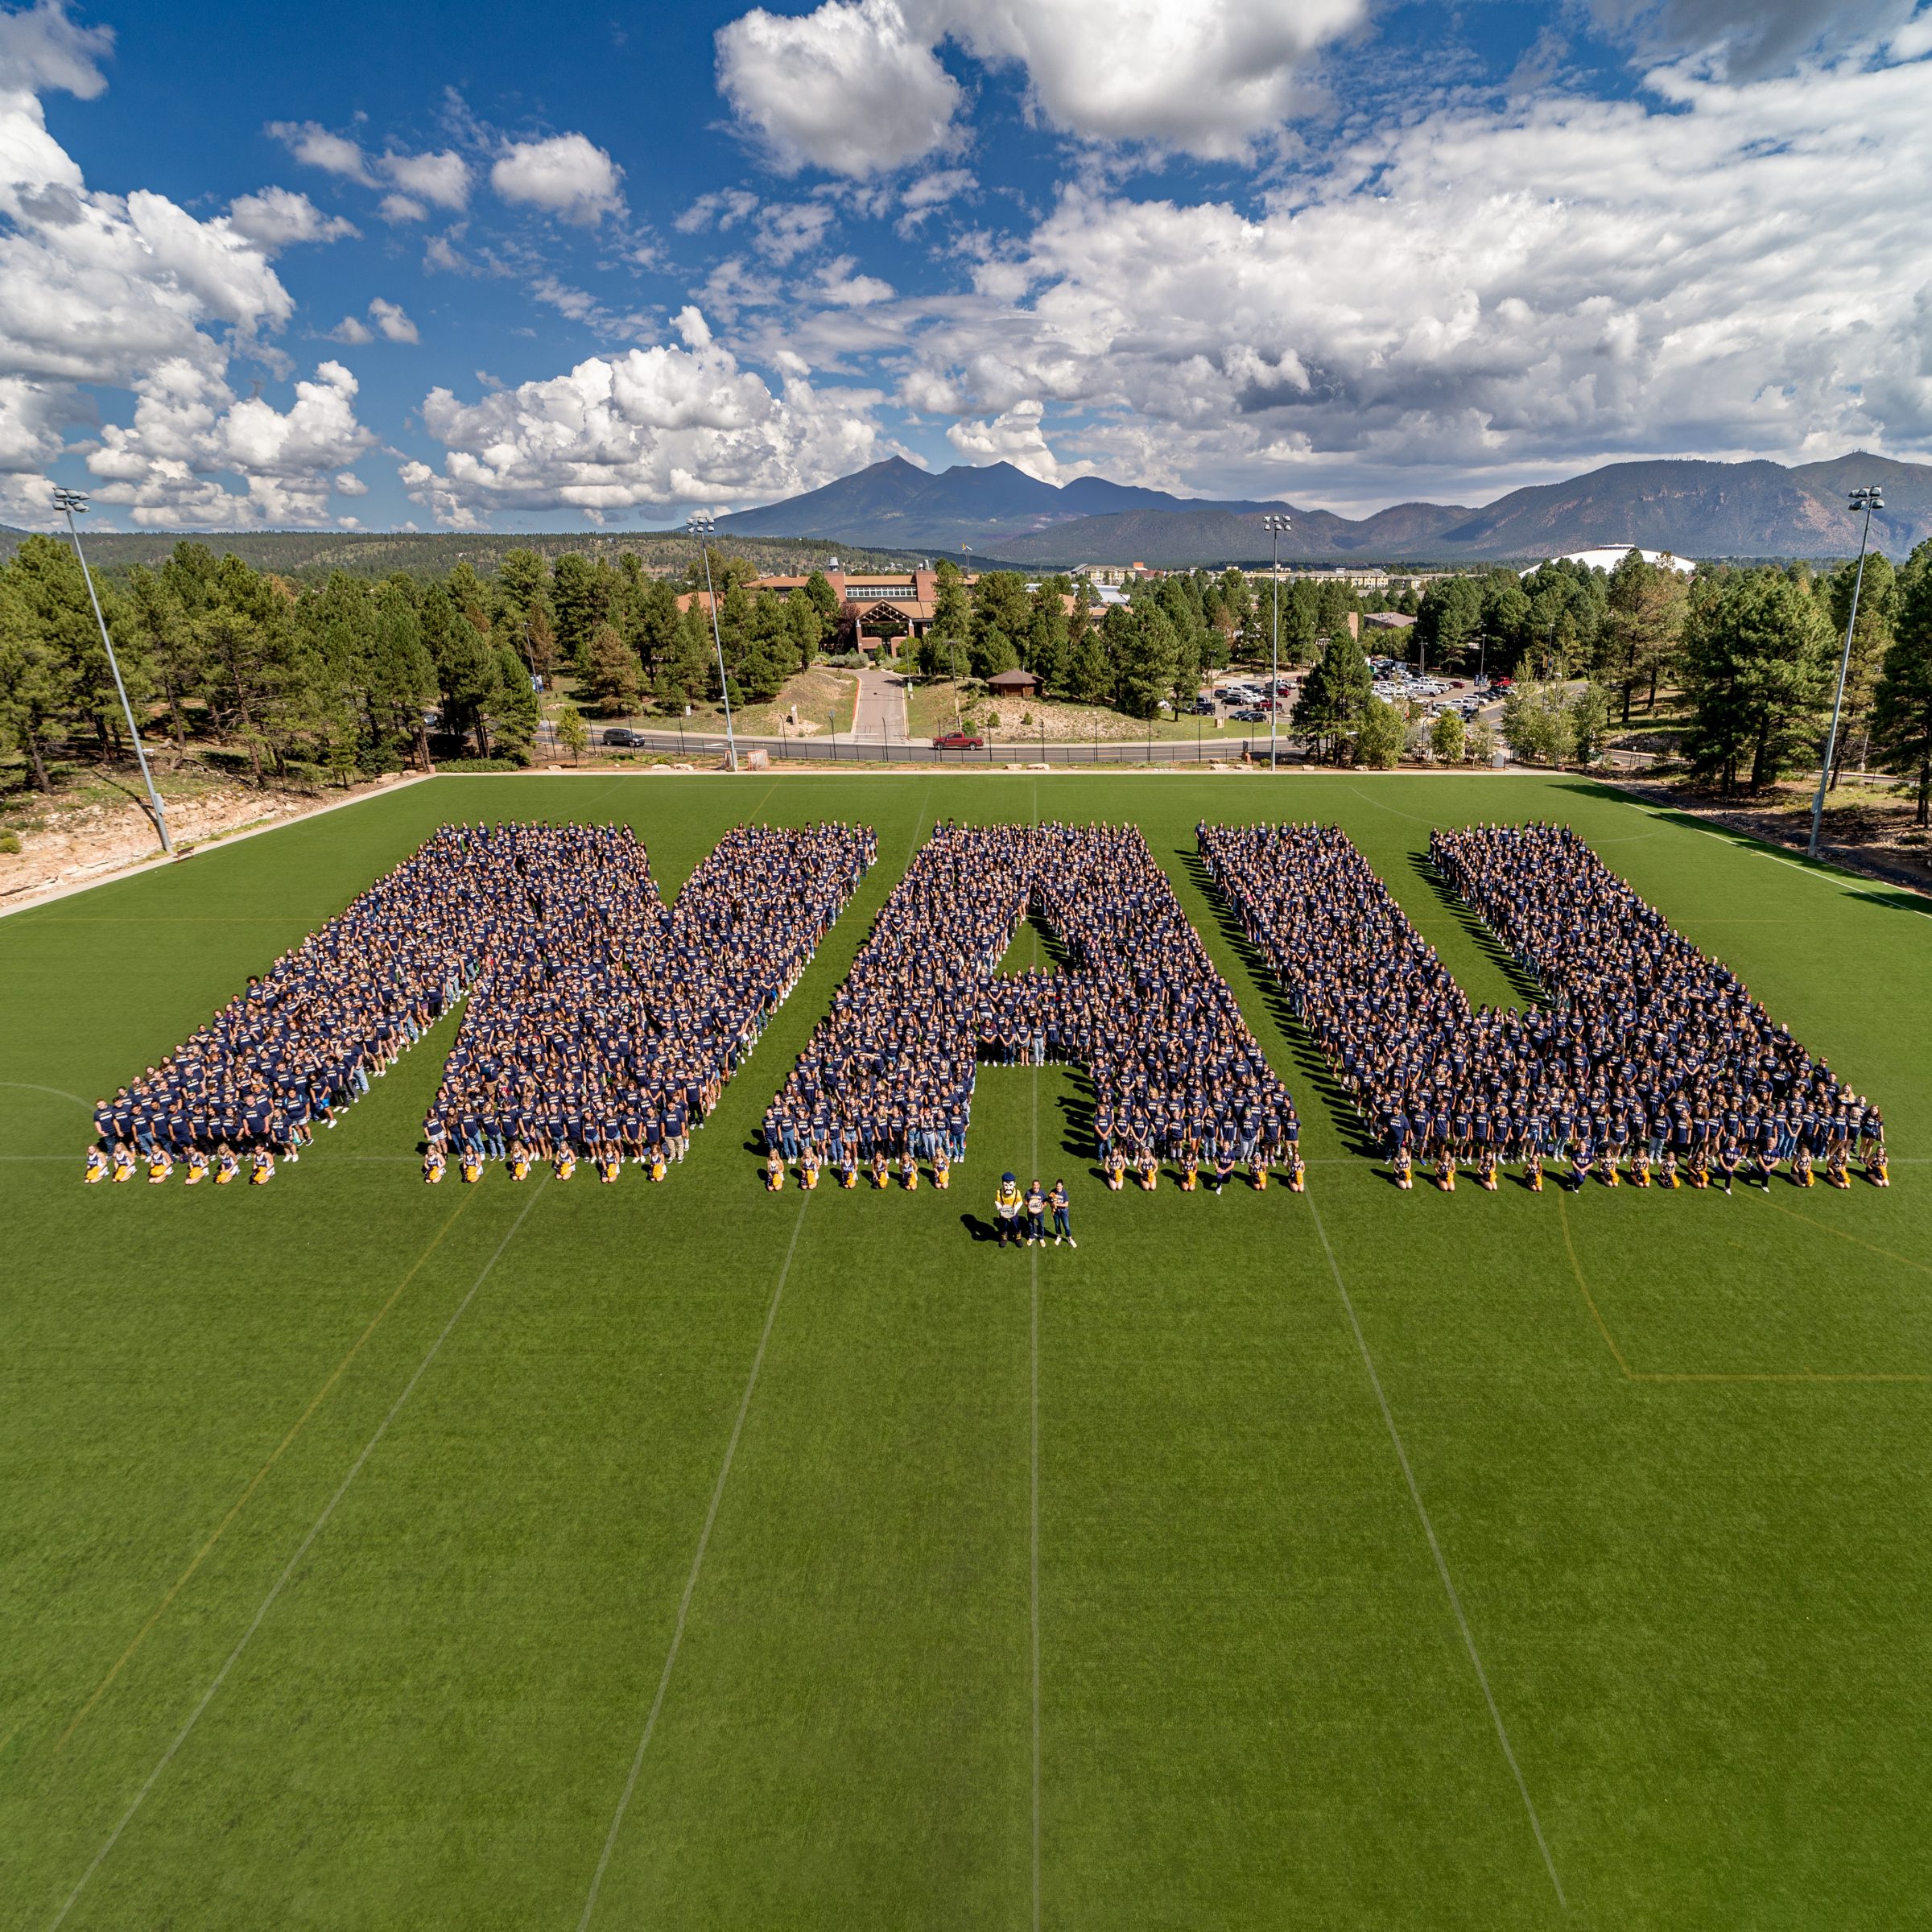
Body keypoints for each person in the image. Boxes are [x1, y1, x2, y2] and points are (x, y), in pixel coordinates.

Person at [994, 1171, 1023, 1247]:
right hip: (1003, 1212)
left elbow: (1020, 1202)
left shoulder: (1017, 1192)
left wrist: (1015, 1210)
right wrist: (1001, 1210)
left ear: (1014, 1184)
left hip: (1013, 1211)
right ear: (1002, 1184)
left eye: (1010, 1185)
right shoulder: (999, 1192)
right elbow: (997, 1202)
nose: (1008, 1187)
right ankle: (1004, 1237)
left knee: (1016, 1224)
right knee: (1003, 1224)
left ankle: (1018, 1237)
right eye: (1006, 1185)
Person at [1050, 1179, 1075, 1246]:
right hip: (1055, 1212)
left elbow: (1066, 1204)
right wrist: (1053, 1204)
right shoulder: (1053, 1192)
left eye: (1060, 1186)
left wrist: (1057, 1204)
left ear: (1062, 1186)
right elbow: (1050, 1202)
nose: (1058, 1188)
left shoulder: (1064, 1193)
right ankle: (1059, 1237)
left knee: (1066, 1226)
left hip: (1064, 1211)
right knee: (1057, 1224)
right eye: (1057, 1186)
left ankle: (1070, 1239)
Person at [1024, 1179, 1046, 1245]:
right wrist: (1028, 1206)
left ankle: (1041, 1238)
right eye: (1034, 1185)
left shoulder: (1042, 1193)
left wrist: (1042, 1207)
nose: (1035, 1187)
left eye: (1037, 1185)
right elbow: (1025, 1202)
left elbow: (1045, 1203)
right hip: (1031, 1213)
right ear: (1032, 1185)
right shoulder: (1028, 1192)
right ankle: (1031, 1237)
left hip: (1040, 1213)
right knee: (1030, 1225)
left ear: (1039, 1186)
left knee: (1041, 1226)